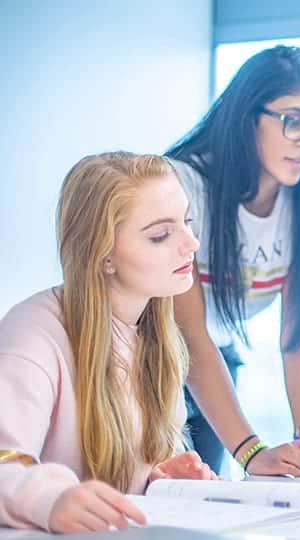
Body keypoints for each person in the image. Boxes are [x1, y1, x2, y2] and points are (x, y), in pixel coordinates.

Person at [0, 152, 216, 533]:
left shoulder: (158, 336)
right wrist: (51, 501)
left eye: (187, 222)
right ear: (103, 257)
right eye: (160, 235)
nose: (192, 243)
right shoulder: (31, 335)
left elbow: (124, 484)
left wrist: (159, 480)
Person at [167, 45, 300, 476]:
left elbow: (299, 334)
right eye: (294, 122)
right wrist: (252, 451)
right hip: (147, 368)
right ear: (248, 115)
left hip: (216, 363)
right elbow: (187, 334)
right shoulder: (182, 185)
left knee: (206, 506)